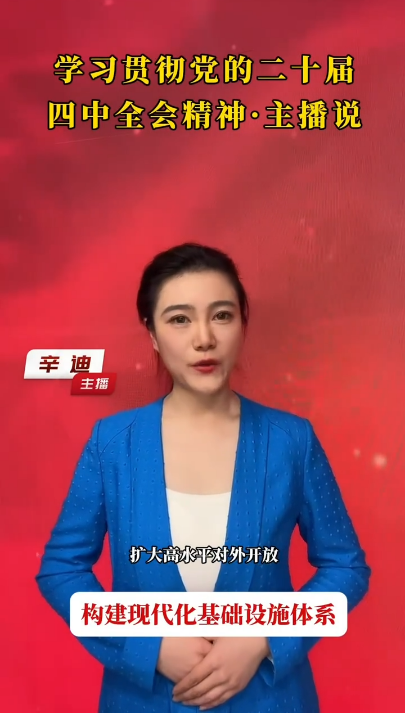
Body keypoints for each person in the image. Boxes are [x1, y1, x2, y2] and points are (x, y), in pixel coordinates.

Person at [36, 242, 371, 712]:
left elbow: (346, 567)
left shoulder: (291, 440)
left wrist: (265, 638)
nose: (204, 339)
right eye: (179, 319)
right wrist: (148, 644)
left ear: (242, 324)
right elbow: (62, 569)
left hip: (269, 698)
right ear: (152, 334)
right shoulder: (112, 443)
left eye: (221, 316)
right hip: (144, 700)